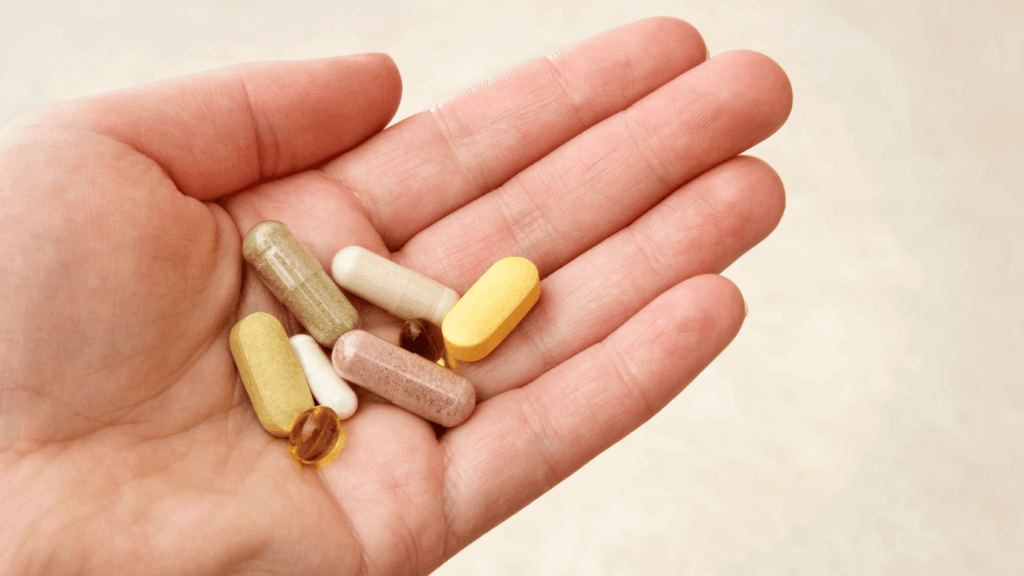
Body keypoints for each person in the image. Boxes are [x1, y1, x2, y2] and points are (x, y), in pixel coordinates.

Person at [0, 17, 791, 576]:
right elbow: (334, 354)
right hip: (337, 365)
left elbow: (366, 345)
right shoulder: (321, 359)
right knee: (343, 335)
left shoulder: (347, 344)